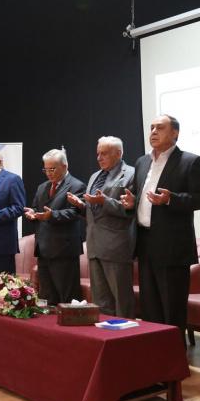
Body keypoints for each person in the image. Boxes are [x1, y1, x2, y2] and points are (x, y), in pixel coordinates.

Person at [120, 115, 200, 330]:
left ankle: (174, 350)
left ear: (175, 133)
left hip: (172, 247)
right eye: (151, 127)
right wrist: (132, 203)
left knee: (172, 308)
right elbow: (139, 197)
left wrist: (171, 199)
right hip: (145, 242)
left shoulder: (190, 161)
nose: (153, 132)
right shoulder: (142, 162)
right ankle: (154, 348)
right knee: (150, 308)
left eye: (160, 128)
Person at [67, 136, 136, 317]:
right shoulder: (94, 176)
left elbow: (131, 210)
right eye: (98, 154)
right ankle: (105, 331)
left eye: (104, 153)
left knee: (122, 299)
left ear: (118, 153)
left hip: (116, 246)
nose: (99, 158)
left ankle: (126, 333)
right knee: (100, 300)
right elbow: (95, 212)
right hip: (94, 244)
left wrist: (104, 201)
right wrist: (81, 205)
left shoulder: (131, 174)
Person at [24, 148, 86, 305]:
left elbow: (75, 212)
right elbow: (37, 209)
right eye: (46, 169)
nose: (48, 173)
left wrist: (52, 215)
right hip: (43, 249)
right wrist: (32, 214)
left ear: (64, 166)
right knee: (46, 297)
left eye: (52, 169)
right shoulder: (42, 187)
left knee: (67, 297)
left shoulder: (76, 185)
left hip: (64, 250)